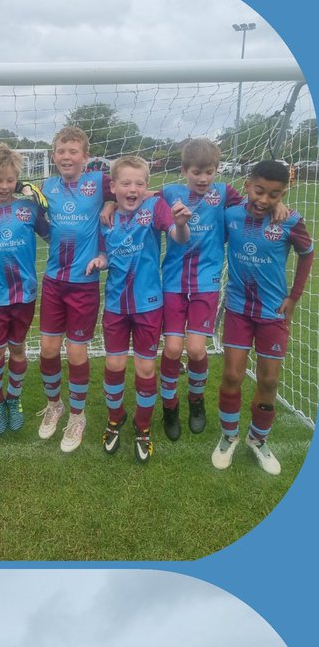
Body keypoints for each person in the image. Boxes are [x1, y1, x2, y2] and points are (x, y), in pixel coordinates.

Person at [86, 154, 191, 463]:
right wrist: (99, 261)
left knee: (145, 369)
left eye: (139, 183)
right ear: (113, 187)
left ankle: (143, 427)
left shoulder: (155, 207)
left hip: (148, 305)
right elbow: (106, 255)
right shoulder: (106, 218)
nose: (132, 189)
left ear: (146, 186)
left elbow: (178, 237)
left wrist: (181, 225)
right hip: (116, 306)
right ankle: (115, 418)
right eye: (125, 183)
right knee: (114, 365)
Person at [212, 160, 313, 475]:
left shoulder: (290, 220)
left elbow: (307, 253)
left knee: (269, 379)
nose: (264, 199)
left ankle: (258, 439)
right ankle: (229, 436)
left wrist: (294, 297)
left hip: (272, 313)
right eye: (259, 191)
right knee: (232, 375)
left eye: (274, 194)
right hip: (238, 309)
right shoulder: (230, 215)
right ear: (247, 186)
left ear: (283, 194)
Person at [158, 138, 246, 438]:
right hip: (173, 281)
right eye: (197, 172)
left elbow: (253, 207)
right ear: (184, 170)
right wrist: (109, 202)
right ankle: (169, 407)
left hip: (206, 282)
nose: (204, 178)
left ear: (217, 170)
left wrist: (279, 206)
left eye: (210, 172)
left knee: (196, 349)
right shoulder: (169, 193)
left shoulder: (224, 193)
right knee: (173, 348)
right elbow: (138, 195)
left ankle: (196, 401)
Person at [34, 126, 115, 451]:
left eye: (73, 151)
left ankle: (77, 416)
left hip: (84, 284)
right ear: (53, 155)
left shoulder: (99, 181)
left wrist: (110, 203)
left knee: (77, 351)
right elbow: (36, 220)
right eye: (61, 151)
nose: (66, 157)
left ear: (85, 156)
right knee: (48, 349)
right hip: (54, 281)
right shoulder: (45, 187)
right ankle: (55, 405)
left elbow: (130, 187)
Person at [0, 143, 50, 434]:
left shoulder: (28, 208)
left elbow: (52, 235)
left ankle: (13, 399)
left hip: (25, 294)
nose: (4, 186)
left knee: (17, 348)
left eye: (10, 180)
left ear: (17, 179)